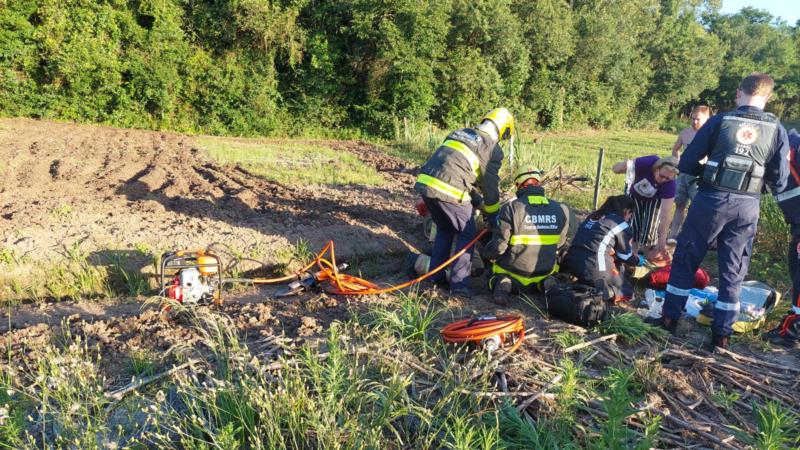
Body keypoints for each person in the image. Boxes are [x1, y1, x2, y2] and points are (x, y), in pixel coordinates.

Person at [650, 73, 790, 350]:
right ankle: (721, 336)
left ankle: (669, 320)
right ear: (768, 97)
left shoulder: (720, 121)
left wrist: (710, 173)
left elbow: (687, 162)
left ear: (739, 93)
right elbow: (780, 180)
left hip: (710, 200)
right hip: (747, 206)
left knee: (687, 258)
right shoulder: (777, 129)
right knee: (733, 269)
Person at [414, 108, 513, 297]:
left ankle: (435, 277)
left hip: (426, 184)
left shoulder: (460, 133)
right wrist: (493, 215)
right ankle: (459, 286)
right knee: (466, 234)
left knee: (445, 229)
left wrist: (477, 201)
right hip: (449, 191)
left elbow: (455, 171)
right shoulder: (491, 147)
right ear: (503, 130)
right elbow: (490, 187)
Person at [482, 166, 573, 305]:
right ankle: (546, 284)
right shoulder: (561, 209)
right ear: (538, 182)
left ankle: (502, 282)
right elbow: (560, 244)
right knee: (544, 279)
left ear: (518, 185)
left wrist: (486, 254)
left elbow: (499, 246)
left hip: (513, 272)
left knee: (493, 275)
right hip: (544, 271)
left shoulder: (511, 208)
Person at [561, 195, 642, 302]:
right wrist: (639, 260)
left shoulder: (593, 216)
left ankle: (573, 280)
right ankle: (608, 291)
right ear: (627, 211)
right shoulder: (620, 224)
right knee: (626, 289)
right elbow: (625, 257)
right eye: (630, 215)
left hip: (571, 262)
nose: (629, 219)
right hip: (594, 267)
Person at [765, 129, 800, 348]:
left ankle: (793, 331)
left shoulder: (795, 151)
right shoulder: (776, 153)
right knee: (794, 266)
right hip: (797, 223)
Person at [611, 155, 679, 257]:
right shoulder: (646, 163)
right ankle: (632, 254)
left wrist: (662, 242)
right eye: (662, 176)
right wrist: (623, 166)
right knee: (633, 226)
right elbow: (617, 169)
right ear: (656, 169)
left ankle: (647, 255)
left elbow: (665, 215)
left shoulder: (670, 185)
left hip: (655, 199)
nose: (664, 180)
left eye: (668, 178)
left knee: (651, 228)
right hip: (635, 194)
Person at [669, 106, 712, 240]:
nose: (694, 122)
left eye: (698, 120)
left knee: (696, 208)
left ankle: (691, 236)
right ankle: (673, 235)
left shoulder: (710, 135)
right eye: (693, 119)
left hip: (698, 176)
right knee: (680, 205)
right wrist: (678, 161)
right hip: (683, 174)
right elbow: (676, 149)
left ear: (707, 119)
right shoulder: (685, 133)